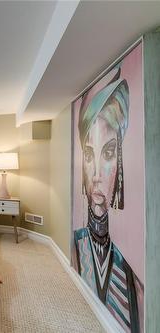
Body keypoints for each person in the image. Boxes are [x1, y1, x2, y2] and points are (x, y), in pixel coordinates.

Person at [74, 68, 143, 333]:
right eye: (89, 155)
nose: (96, 175)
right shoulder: (76, 245)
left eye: (109, 152)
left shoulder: (134, 285)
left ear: (120, 161)